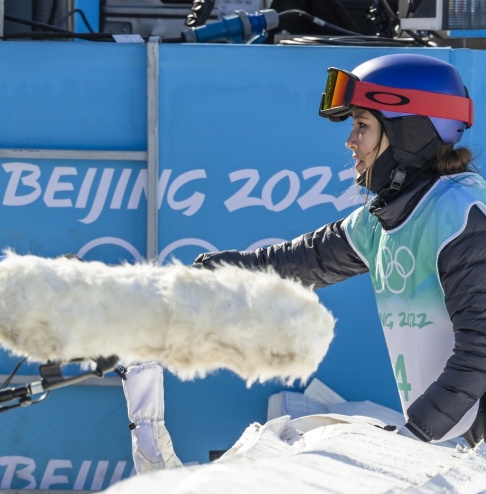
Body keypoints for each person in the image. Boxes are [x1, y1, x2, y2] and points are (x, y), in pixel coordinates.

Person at [193, 53, 486, 446]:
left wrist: (413, 438)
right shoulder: (383, 217)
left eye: (362, 125)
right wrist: (214, 275)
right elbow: (301, 262)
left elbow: (480, 349)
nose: (351, 142)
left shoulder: (462, 215)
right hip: (459, 447)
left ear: (411, 131)